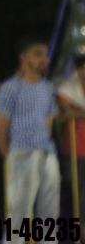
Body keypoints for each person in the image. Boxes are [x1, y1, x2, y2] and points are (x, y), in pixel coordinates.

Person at [0, 39, 59, 231]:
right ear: (23, 58)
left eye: (45, 55)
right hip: (22, 152)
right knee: (19, 212)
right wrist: (9, 156)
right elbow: (1, 128)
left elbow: (48, 123)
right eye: (38, 54)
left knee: (50, 212)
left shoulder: (48, 88)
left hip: (47, 152)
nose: (44, 59)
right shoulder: (10, 87)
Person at [57, 55, 85, 218]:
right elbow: (67, 111)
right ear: (79, 70)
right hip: (76, 151)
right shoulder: (67, 89)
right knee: (81, 197)